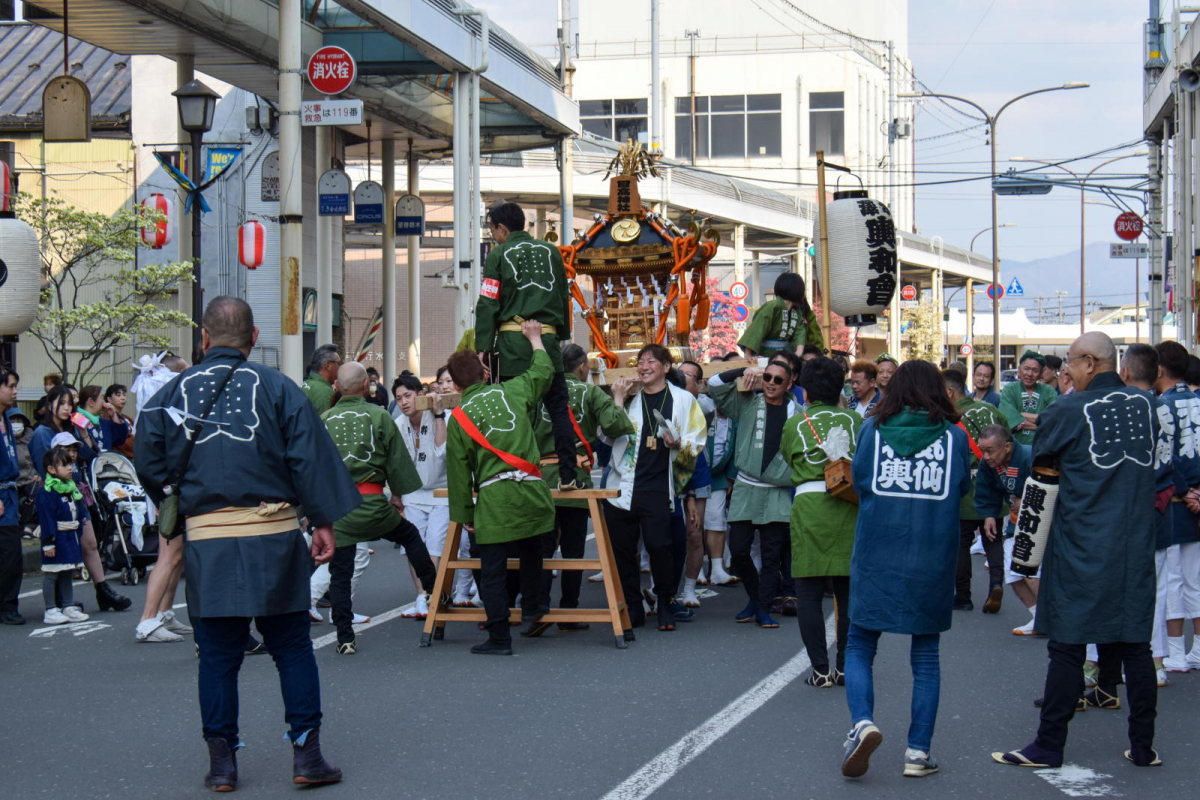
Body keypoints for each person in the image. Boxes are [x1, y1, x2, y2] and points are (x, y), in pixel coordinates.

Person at [135, 296, 361, 790]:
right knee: (292, 647)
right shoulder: (279, 387)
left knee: (217, 656)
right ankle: (307, 757)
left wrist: (177, 501)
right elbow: (307, 459)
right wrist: (321, 520)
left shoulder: (169, 394)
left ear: (203, 339)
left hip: (208, 542)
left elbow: (149, 459)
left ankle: (222, 765)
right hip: (273, 535)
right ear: (254, 339)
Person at [994, 332, 1162, 770]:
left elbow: (1043, 474)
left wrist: (1026, 546)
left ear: (1091, 362)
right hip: (1137, 543)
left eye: (1070, 362)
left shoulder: (1067, 409)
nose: (1065, 371)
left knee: (1068, 645)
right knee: (1135, 646)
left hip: (1082, 542)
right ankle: (1143, 747)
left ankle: (1049, 745)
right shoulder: (1148, 407)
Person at [840, 360, 971, 780]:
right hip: (932, 557)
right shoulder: (954, 438)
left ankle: (863, 723)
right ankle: (918, 752)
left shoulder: (872, 431)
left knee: (860, 643)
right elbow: (962, 487)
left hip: (878, 551)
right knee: (926, 655)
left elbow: (859, 481)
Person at [445, 320, 557, 655]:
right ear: (483, 370)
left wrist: (466, 515)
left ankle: (499, 637)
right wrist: (535, 339)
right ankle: (536, 607)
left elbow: (458, 473)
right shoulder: (513, 390)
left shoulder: (459, 417)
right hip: (533, 490)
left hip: (494, 498)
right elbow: (543, 369)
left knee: (492, 571)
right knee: (533, 552)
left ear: (454, 383)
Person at [322, 361, 437, 654]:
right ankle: (435, 589)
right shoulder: (379, 415)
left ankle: (345, 637)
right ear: (366, 386)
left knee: (341, 572)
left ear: (336, 386)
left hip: (340, 509)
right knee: (410, 536)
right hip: (374, 503)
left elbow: (313, 468)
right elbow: (396, 462)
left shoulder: (324, 419)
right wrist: (396, 496)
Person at [527, 344, 634, 635]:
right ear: (583, 367)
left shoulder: (540, 392)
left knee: (543, 549)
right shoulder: (590, 392)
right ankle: (569, 611)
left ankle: (538, 610)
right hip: (575, 480)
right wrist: (619, 398)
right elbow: (616, 426)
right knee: (573, 551)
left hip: (541, 481)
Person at [602, 344, 707, 632]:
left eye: (650, 362)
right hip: (621, 485)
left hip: (658, 485)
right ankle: (634, 606)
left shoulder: (683, 400)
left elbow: (697, 440)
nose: (643, 367)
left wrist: (679, 443)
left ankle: (664, 602)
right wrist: (618, 399)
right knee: (622, 551)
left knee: (661, 547)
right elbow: (607, 435)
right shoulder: (629, 397)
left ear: (664, 367)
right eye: (640, 362)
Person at [474, 201, 577, 491]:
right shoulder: (552, 252)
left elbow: (488, 302)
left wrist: (483, 347)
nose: (493, 235)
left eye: (493, 229)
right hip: (548, 341)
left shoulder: (498, 255)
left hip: (513, 347)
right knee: (558, 409)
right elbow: (562, 295)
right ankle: (568, 474)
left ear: (502, 228)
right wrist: (561, 335)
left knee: (515, 412)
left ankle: (518, 473)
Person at [780, 357, 861, 686]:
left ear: (805, 390)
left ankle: (820, 670)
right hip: (848, 503)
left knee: (809, 593)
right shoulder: (857, 420)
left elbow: (787, 457)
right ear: (841, 386)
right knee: (847, 591)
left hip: (809, 506)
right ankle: (844, 665)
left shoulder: (795, 424)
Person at [709, 359, 801, 629]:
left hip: (777, 492)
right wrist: (743, 371)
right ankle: (755, 598)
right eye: (768, 377)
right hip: (746, 487)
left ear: (789, 384)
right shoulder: (748, 402)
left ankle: (761, 607)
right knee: (738, 549)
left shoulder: (797, 412)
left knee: (772, 556)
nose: (771, 383)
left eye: (777, 380)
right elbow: (715, 384)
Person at [28, 386, 132, 613]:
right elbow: (44, 469)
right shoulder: (42, 433)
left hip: (77, 493)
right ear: (50, 404)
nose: (66, 408)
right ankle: (59, 602)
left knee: (90, 543)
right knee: (62, 547)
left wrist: (83, 433)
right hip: (57, 498)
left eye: (69, 404)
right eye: (61, 403)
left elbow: (91, 455)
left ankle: (102, 590)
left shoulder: (72, 428)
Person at [1120, 344, 1174, 686]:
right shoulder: (1163, 407)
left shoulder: (1122, 408)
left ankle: (1104, 666)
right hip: (1164, 507)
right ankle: (1156, 663)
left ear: (1124, 373)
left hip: (1129, 512)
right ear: (1156, 374)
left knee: (1121, 589)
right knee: (1158, 590)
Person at [1153, 341, 1200, 673]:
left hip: (1176, 500)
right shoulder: (1198, 401)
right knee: (1195, 578)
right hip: (1198, 498)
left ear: (1159, 370)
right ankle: (1197, 648)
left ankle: (1174, 652)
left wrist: (1186, 492)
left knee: (1171, 580)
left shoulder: (1161, 406)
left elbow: (1165, 459)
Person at [392, 370, 456, 617]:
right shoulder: (398, 424)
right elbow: (395, 464)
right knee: (414, 546)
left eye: (407, 396)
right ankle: (421, 596)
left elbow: (442, 452)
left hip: (442, 490)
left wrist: (438, 413)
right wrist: (396, 494)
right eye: (398, 399)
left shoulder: (442, 415)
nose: (404, 402)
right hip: (412, 493)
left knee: (436, 546)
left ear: (421, 395)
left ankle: (433, 593)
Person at [944, 369, 1007, 613]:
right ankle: (996, 585)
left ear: (950, 392)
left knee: (961, 543)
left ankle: (964, 596)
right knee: (993, 539)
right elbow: (1008, 439)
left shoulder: (951, 418)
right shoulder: (991, 410)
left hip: (967, 489)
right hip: (993, 482)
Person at [974, 425, 1041, 635]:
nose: (986, 457)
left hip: (1039, 521)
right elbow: (986, 489)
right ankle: (1038, 617)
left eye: (990, 451)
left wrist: (1028, 499)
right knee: (1013, 573)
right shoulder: (990, 464)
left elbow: (1051, 483)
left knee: (1028, 569)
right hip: (1015, 521)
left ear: (1008, 446)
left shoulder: (1031, 456)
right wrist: (989, 515)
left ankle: (1052, 619)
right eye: (982, 451)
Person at [36, 447, 91, 625]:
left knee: (67, 572)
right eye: (64, 465)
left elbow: (79, 511)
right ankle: (51, 609)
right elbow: (46, 520)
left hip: (70, 536)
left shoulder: (71, 488)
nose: (70, 468)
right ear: (51, 469)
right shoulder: (46, 492)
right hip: (56, 537)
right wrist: (48, 543)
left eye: (70, 464)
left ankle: (68, 606)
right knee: (52, 573)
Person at [738, 272, 823, 359]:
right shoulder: (772, 306)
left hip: (786, 355)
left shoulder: (797, 311)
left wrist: (798, 353)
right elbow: (757, 329)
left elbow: (800, 333)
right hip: (765, 354)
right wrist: (748, 355)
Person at [0, 367, 25, 625]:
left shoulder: (6, 418)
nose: (14, 391)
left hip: (9, 492)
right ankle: (7, 605)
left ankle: (7, 603)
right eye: (10, 385)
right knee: (9, 553)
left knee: (10, 553)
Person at [999, 351, 1057, 446]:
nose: (1030, 374)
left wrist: (1021, 415)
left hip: (1042, 447)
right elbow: (1008, 417)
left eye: (1035, 370)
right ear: (1019, 370)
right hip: (1015, 448)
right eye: (1026, 369)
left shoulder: (1048, 391)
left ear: (1041, 373)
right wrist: (1041, 425)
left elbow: (1053, 418)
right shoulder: (1010, 389)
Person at [74, 385, 131, 456]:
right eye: (101, 398)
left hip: (104, 463)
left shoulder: (104, 422)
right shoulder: (77, 419)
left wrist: (114, 415)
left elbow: (120, 439)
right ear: (91, 402)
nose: (104, 402)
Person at [301, 345, 341, 413]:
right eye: (338, 363)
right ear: (328, 365)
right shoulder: (325, 393)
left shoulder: (305, 385)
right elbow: (326, 422)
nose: (340, 367)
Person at [104, 384, 136, 459]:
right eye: (118, 395)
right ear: (109, 399)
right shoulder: (106, 418)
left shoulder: (128, 418)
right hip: (118, 459)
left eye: (124, 395)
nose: (123, 398)